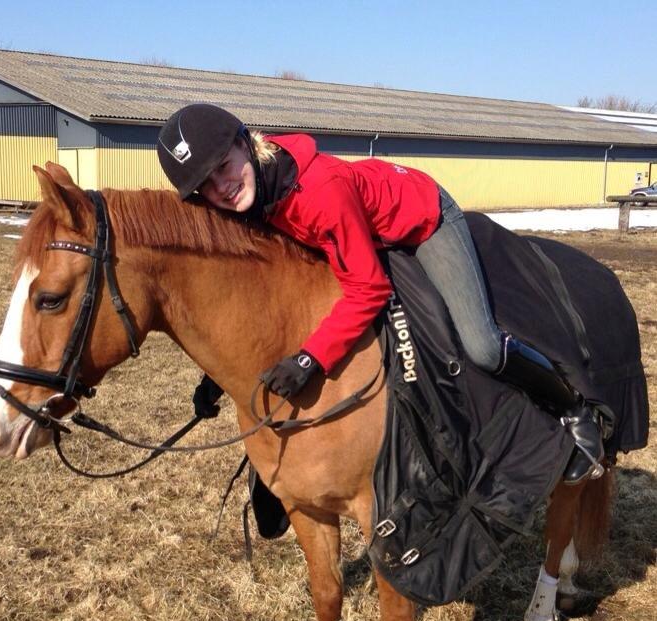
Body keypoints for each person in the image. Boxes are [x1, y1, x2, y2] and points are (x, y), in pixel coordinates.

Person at [156, 103, 603, 484]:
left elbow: (368, 289)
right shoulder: (254, 199)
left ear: (245, 143)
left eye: (222, 167)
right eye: (206, 187)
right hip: (361, 233)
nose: (222, 187)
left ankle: (573, 407)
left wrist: (309, 360)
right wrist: (216, 380)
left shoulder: (320, 194)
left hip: (423, 217)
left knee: (481, 345)